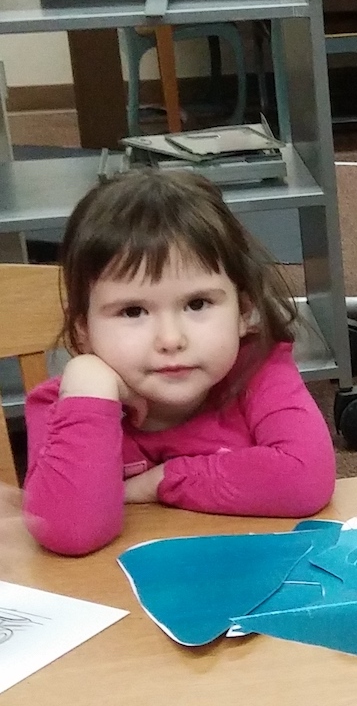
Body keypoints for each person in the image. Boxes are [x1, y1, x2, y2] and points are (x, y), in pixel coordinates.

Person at [22, 170, 336, 556]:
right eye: (133, 311)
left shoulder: (259, 371)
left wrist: (162, 481)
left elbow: (305, 480)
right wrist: (89, 382)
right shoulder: (68, 405)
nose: (171, 339)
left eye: (197, 304)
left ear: (244, 310)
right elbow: (70, 531)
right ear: (83, 328)